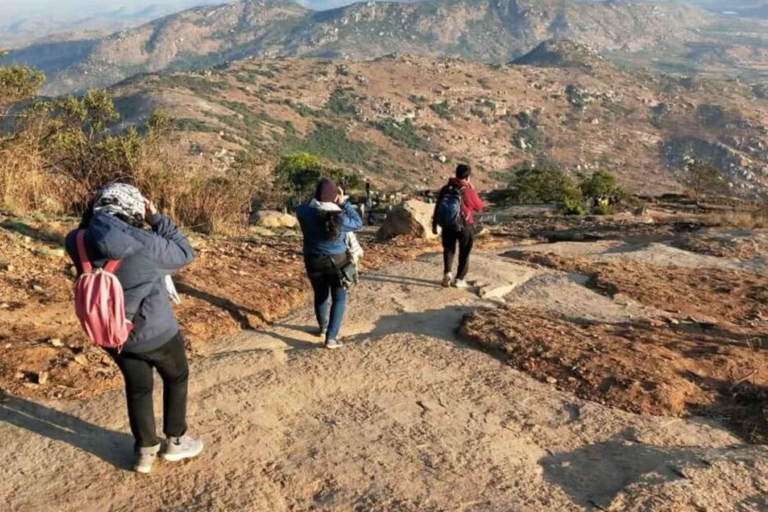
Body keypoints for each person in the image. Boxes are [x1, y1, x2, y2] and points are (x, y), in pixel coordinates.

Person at [65, 183, 202, 474]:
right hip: (156, 331)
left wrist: (95, 213)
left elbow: (96, 233)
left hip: (111, 334)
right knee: (177, 376)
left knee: (139, 388)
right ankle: (175, 441)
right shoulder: (145, 244)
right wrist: (155, 217)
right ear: (133, 209)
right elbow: (185, 253)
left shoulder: (75, 240)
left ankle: (145, 452)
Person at [296, 179, 362, 349]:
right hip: (337, 261)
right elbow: (358, 223)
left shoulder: (304, 212)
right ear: (334, 196)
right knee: (339, 297)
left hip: (312, 260)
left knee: (320, 294)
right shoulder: (339, 217)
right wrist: (344, 202)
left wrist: (321, 196)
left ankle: (323, 328)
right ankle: (331, 338)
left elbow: (305, 205)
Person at [432, 164, 485, 288]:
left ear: (456, 174)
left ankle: (447, 272)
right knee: (464, 251)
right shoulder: (467, 190)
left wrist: (435, 225)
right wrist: (473, 190)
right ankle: (459, 279)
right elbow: (479, 207)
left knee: (449, 249)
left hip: (448, 225)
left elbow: (437, 207)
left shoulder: (446, 188)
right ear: (467, 177)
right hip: (465, 225)